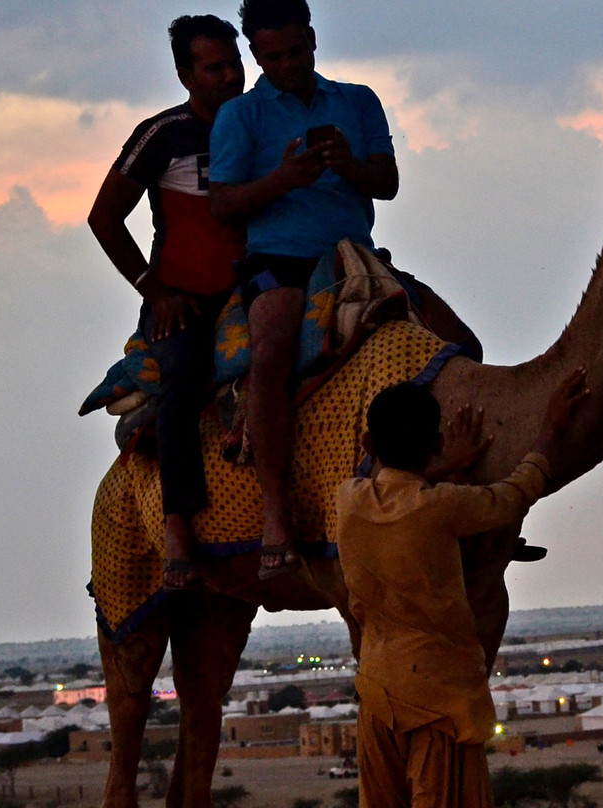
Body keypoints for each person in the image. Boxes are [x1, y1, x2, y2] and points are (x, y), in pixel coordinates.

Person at [336, 368, 590, 808]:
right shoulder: (443, 507)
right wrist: (549, 429)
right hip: (440, 704)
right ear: (437, 443)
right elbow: (515, 494)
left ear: (368, 445)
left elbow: (400, 492)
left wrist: (444, 465)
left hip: (377, 697)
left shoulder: (349, 499)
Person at [209, 0, 399, 580]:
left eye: (296, 51)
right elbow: (223, 204)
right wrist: (284, 180)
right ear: (257, 55)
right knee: (270, 351)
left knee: (449, 339)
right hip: (279, 260)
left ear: (312, 40)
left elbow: (387, 182)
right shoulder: (240, 116)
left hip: (353, 255)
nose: (288, 64)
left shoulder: (358, 100)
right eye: (274, 57)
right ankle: (275, 515)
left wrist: (348, 164)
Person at [87, 15, 246, 591]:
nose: (230, 76)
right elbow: (104, 217)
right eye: (215, 67)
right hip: (185, 299)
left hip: (257, 282)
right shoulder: (162, 135)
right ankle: (178, 524)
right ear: (186, 75)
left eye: (235, 63)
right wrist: (154, 291)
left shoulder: (261, 121)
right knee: (182, 380)